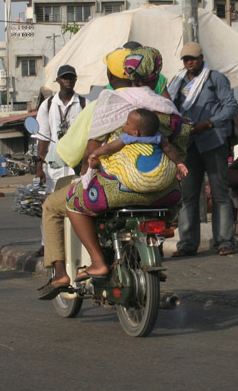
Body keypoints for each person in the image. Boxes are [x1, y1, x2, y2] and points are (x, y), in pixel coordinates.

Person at [37, 47, 188, 299]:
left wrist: (86, 171)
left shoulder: (106, 103)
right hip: (166, 193)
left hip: (116, 190)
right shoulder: (166, 107)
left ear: (113, 75)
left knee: (61, 204)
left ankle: (79, 268)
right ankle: (151, 252)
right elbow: (180, 147)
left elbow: (86, 152)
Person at [167, 41, 238, 257]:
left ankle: (224, 241)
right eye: (186, 59)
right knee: (188, 195)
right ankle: (187, 244)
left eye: (193, 59)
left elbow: (231, 107)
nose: (189, 62)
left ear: (201, 59)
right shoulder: (178, 82)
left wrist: (209, 123)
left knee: (219, 193)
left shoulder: (215, 78)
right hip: (188, 143)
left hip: (213, 140)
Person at [33, 64, 85, 256]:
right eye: (64, 78)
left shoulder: (84, 103)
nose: (68, 81)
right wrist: (40, 166)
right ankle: (47, 244)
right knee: (49, 204)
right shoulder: (47, 105)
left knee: (78, 202)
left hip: (76, 164)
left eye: (71, 77)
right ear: (58, 81)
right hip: (54, 165)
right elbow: (43, 137)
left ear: (75, 80)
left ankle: (78, 244)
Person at [85, 108, 188, 189]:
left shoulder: (128, 137)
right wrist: (179, 162)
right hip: (160, 180)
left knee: (112, 164)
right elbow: (169, 150)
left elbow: (110, 148)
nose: (124, 125)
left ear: (136, 133)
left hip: (136, 180)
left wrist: (96, 153)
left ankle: (99, 166)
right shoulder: (158, 137)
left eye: (127, 123)